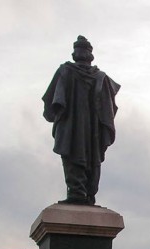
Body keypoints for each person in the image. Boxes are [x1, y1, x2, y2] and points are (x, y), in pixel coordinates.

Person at [43, 35, 120, 205]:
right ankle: (87, 194)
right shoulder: (101, 77)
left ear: (75, 54)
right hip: (93, 131)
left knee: (71, 153)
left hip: (73, 128)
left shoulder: (66, 71)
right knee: (92, 156)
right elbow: (110, 110)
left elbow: (51, 106)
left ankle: (77, 192)